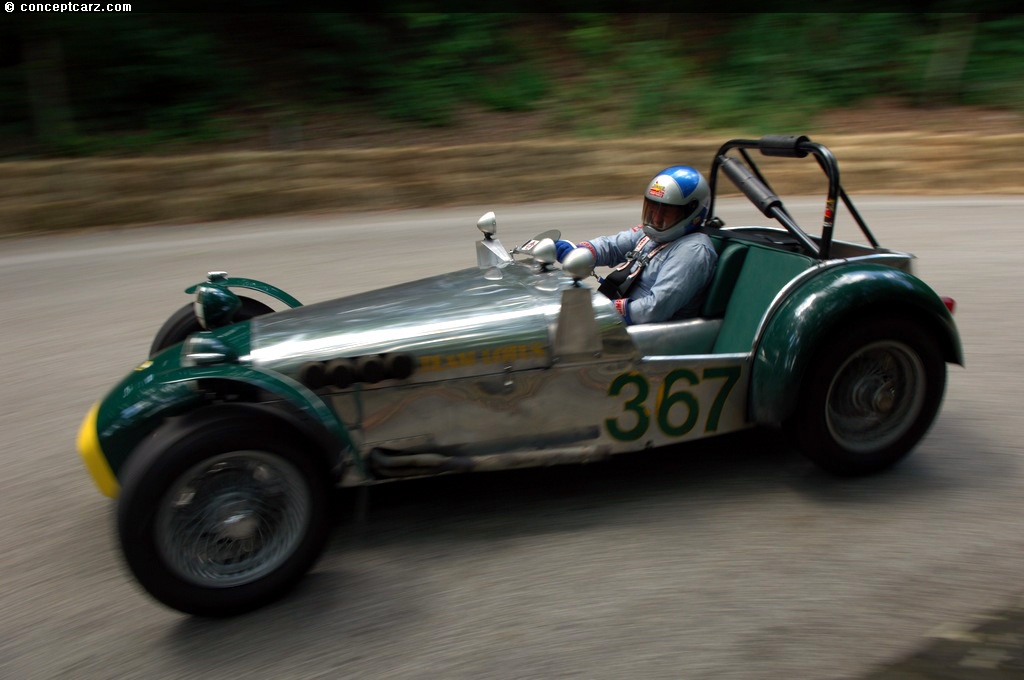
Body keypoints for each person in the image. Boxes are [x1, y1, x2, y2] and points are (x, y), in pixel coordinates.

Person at [555, 165, 718, 325]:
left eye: (666, 212)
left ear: (691, 212)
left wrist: (604, 311)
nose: (656, 218)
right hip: (623, 320)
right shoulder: (654, 233)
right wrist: (579, 253)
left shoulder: (693, 250)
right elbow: (613, 246)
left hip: (654, 336)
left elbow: (655, 308)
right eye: (653, 208)